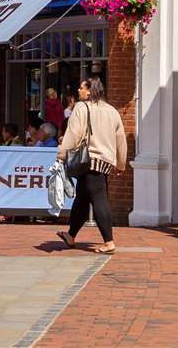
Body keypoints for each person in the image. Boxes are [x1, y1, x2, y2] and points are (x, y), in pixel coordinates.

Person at [54, 77, 127, 255]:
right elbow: (120, 139)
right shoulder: (112, 111)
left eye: (81, 88)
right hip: (105, 161)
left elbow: (73, 134)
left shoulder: (82, 107)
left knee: (99, 199)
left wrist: (62, 155)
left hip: (89, 160)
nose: (79, 91)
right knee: (82, 198)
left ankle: (109, 242)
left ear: (90, 90)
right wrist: (120, 163)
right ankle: (71, 235)